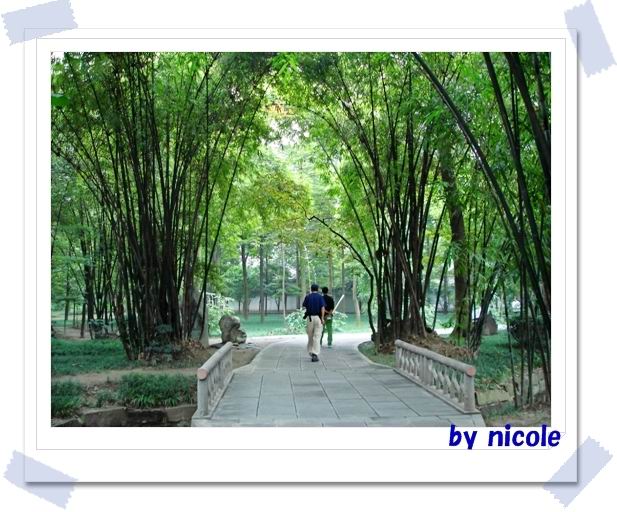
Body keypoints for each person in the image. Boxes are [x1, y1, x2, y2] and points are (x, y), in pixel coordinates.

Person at [302, 283, 325, 362]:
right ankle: (315, 354)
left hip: (310, 318)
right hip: (318, 318)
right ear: (317, 289)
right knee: (317, 336)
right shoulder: (320, 297)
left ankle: (310, 351)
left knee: (310, 336)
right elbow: (322, 308)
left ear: (311, 289)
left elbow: (304, 306)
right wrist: (322, 318)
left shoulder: (308, 296)